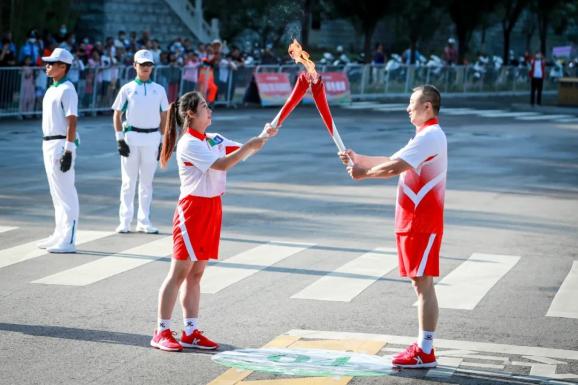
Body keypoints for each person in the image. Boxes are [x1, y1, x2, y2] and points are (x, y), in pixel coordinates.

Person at [150, 91, 277, 351]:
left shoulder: (212, 138)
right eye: (205, 106)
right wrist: (251, 145)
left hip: (212, 208)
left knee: (196, 274)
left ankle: (190, 331)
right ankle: (161, 331)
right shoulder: (189, 144)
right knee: (179, 272)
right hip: (192, 210)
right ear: (190, 114)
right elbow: (223, 164)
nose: (210, 110)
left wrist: (264, 135)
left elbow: (242, 150)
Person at [339, 84, 446, 368]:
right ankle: (424, 345)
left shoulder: (431, 136)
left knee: (423, 282)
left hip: (422, 220)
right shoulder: (424, 137)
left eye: (412, 103)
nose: (407, 108)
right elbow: (391, 160)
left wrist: (363, 174)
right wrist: (357, 159)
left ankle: (425, 349)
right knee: (419, 281)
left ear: (427, 106)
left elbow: (393, 169)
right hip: (413, 220)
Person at [111, 49, 169, 234]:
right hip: (131, 138)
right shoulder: (127, 89)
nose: (145, 68)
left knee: (146, 183)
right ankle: (125, 221)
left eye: (148, 65)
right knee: (128, 182)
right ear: (135, 66)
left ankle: (144, 221)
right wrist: (119, 139)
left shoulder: (159, 90)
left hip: (152, 138)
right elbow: (117, 114)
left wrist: (163, 140)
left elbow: (165, 115)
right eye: (142, 64)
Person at [37, 48, 80, 253]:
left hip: (61, 143)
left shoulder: (67, 89)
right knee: (56, 193)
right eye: (48, 62)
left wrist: (68, 150)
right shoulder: (52, 88)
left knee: (66, 193)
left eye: (52, 63)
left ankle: (69, 240)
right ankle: (59, 233)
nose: (48, 66)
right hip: (48, 143)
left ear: (63, 67)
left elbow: (72, 121)